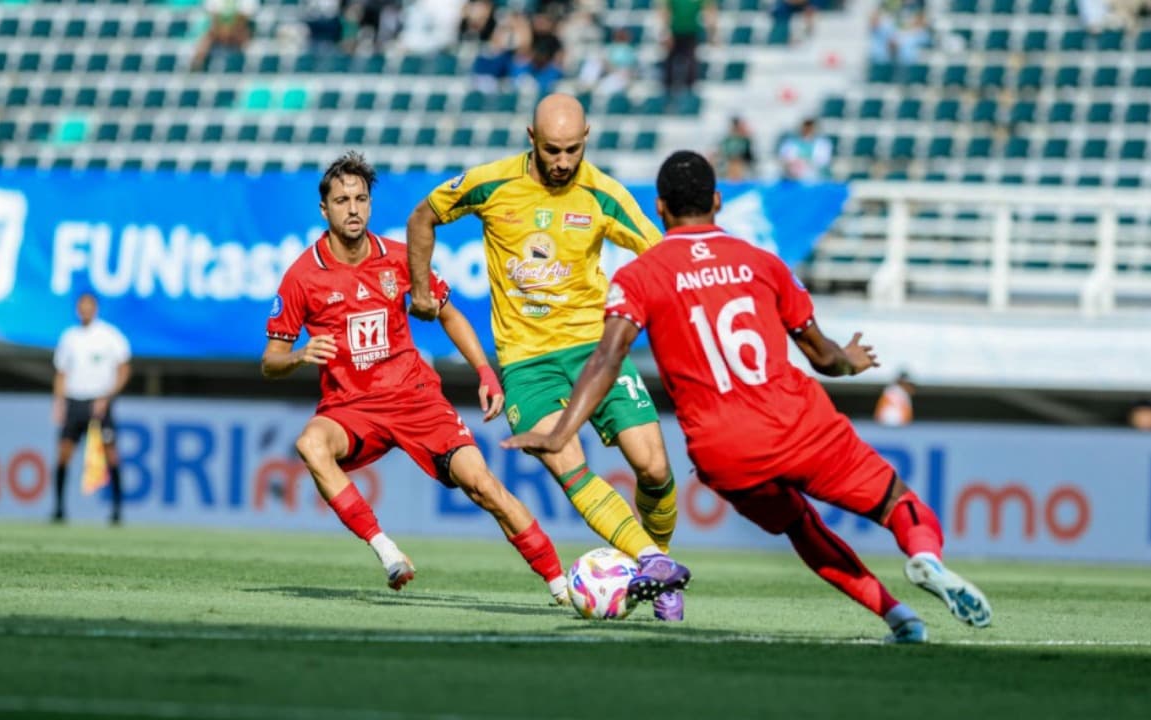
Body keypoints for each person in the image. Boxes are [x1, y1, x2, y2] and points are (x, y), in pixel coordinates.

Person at [505, 150, 994, 643]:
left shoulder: (639, 275)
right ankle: (925, 558)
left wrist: (562, 431)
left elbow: (607, 359)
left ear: (659, 208)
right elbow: (824, 358)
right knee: (896, 503)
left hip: (724, 452)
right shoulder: (763, 263)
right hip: (800, 425)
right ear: (717, 200)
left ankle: (899, 619)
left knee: (802, 528)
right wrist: (851, 360)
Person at [405, 93, 691, 620]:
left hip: (595, 351)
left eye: (573, 150)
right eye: (553, 150)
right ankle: (651, 559)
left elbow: (663, 255)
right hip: (526, 362)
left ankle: (662, 568)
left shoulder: (603, 194)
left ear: (588, 140)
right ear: (530, 138)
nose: (563, 162)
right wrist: (420, 291)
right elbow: (423, 215)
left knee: (653, 466)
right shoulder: (490, 183)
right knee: (569, 463)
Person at [263, 152, 567, 602]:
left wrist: (486, 372)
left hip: (415, 397)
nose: (353, 209)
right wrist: (300, 354)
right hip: (351, 408)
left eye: (360, 199)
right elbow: (270, 360)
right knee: (311, 444)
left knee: (483, 486)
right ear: (324, 209)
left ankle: (562, 586)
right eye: (342, 200)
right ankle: (386, 551)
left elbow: (450, 314)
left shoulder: (401, 259)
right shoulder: (302, 277)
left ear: (370, 204)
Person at [52, 293, 131, 525]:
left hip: (100, 402)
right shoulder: (69, 338)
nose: (85, 310)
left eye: (89, 306)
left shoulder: (109, 336)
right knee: (64, 453)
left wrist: (107, 396)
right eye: (81, 306)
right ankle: (59, 509)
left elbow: (124, 369)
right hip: (75, 402)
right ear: (77, 309)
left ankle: (117, 511)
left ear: (95, 309)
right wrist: (59, 402)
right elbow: (61, 373)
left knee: (110, 455)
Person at [779, 118, 833, 182]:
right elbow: (785, 157)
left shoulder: (823, 143)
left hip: (816, 177)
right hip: (793, 177)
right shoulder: (791, 142)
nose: (807, 130)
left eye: (810, 128)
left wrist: (806, 164)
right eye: (806, 128)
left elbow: (823, 160)